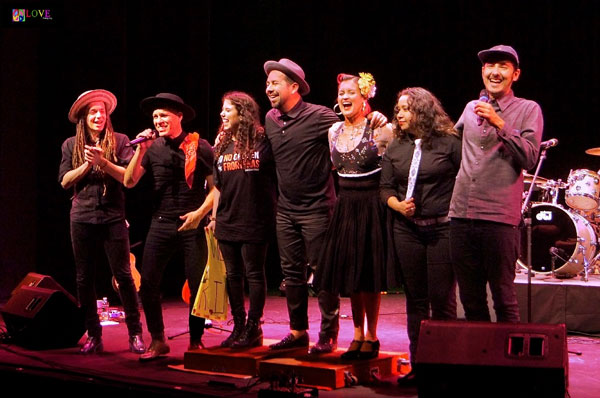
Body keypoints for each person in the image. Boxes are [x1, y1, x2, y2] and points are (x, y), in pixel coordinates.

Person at [264, 58, 387, 354]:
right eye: (267, 83)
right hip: (286, 210)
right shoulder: (270, 119)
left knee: (324, 274)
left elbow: (353, 127)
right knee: (291, 273)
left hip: (318, 208)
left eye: (275, 83)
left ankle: (328, 334)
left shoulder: (320, 117)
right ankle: (297, 332)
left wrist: (376, 117)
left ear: (294, 87)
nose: (269, 88)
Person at [449, 45, 543, 323]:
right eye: (490, 66)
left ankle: (509, 366)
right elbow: (448, 147)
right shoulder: (470, 108)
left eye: (503, 66)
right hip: (461, 216)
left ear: (515, 74)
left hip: (499, 219)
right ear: (482, 72)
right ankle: (481, 364)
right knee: (470, 300)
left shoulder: (528, 109)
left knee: (503, 299)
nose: (495, 72)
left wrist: (499, 122)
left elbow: (529, 157)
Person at [124, 93, 215, 360]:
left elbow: (216, 189)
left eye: (164, 115)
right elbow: (129, 181)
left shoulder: (200, 146)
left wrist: (199, 214)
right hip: (161, 222)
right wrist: (140, 148)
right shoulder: (151, 147)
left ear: (179, 116)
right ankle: (158, 340)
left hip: (192, 222)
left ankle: (196, 341)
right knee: (149, 283)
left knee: (197, 285)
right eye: (155, 116)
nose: (159, 120)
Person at [381, 87, 461, 384]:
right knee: (416, 300)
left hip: (443, 229)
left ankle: (446, 367)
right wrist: (398, 206)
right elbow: (385, 189)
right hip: (408, 231)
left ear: (423, 111)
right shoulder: (395, 147)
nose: (399, 114)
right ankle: (420, 365)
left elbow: (465, 180)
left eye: (406, 109)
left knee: (441, 300)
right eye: (398, 109)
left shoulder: (449, 143)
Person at [59, 89, 145, 354]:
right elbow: (64, 181)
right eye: (93, 112)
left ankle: (135, 334)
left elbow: (128, 178)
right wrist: (87, 165)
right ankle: (93, 335)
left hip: (112, 216)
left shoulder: (120, 141)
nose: (98, 115)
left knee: (124, 276)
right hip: (82, 216)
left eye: (102, 112)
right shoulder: (70, 145)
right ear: (83, 117)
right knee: (84, 278)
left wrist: (102, 162)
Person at [315, 73, 393, 360]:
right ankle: (357, 334)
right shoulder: (333, 131)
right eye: (341, 93)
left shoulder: (382, 130)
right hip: (345, 206)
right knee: (350, 274)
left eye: (350, 93)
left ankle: (371, 335)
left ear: (364, 98)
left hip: (370, 206)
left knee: (368, 274)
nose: (345, 98)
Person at [207, 91, 277, 348]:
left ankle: (253, 327)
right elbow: (218, 186)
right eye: (222, 110)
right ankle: (238, 325)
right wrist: (214, 218)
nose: (222, 114)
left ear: (243, 113)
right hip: (228, 218)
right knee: (233, 275)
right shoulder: (222, 144)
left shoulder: (263, 141)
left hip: (255, 218)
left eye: (228, 110)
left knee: (254, 273)